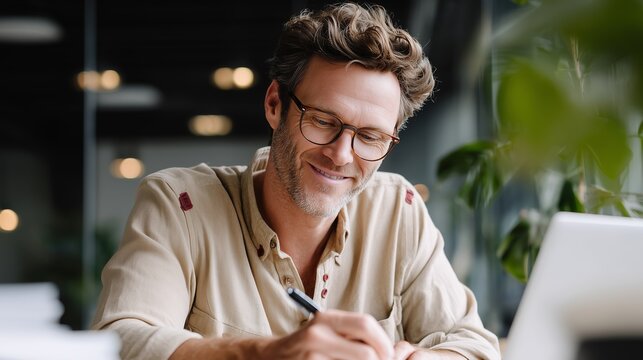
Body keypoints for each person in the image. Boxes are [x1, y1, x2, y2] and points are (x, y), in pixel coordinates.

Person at [92, 3, 501, 359]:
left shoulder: (399, 211)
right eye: (323, 122)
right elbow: (118, 341)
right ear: (274, 105)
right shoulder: (180, 205)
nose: (342, 155)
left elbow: (474, 345)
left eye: (370, 137)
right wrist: (267, 354)